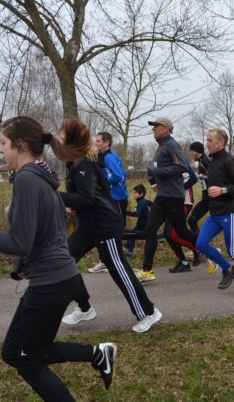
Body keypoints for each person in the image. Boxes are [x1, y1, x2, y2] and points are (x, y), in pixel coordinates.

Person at [0, 116, 117, 400]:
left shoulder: (28, 178)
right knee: (13, 352)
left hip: (52, 283)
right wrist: (22, 264)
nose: (0, 149)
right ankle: (98, 354)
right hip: (53, 279)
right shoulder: (40, 176)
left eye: (3, 143)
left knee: (29, 362)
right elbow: (44, 230)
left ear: (21, 145)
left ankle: (98, 354)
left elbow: (20, 241)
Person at [54, 118, 161, 333]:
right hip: (89, 225)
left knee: (119, 270)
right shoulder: (76, 163)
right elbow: (88, 195)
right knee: (63, 260)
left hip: (104, 226)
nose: (58, 142)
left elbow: (86, 198)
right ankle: (84, 307)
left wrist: (56, 196)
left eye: (62, 138)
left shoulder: (83, 164)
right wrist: (71, 203)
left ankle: (148, 313)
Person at [134, 117, 199, 282]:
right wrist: (156, 180)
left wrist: (156, 172)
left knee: (181, 231)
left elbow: (182, 166)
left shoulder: (171, 144)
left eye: (156, 126)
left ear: (166, 129)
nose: (153, 129)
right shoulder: (162, 146)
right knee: (150, 230)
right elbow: (166, 169)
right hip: (163, 195)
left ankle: (208, 248)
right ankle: (147, 270)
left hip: (173, 197)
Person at [196, 128, 234, 297]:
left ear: (221, 142)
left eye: (210, 140)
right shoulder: (213, 160)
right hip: (215, 212)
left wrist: (222, 190)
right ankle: (228, 269)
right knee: (200, 243)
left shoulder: (229, 160)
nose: (206, 144)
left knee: (233, 251)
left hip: (230, 212)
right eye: (207, 140)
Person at [88, 132, 129, 273]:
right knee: (106, 228)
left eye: (99, 141)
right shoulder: (102, 156)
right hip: (110, 197)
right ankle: (105, 260)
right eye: (96, 140)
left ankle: (119, 258)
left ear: (107, 143)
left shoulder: (109, 157)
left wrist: (102, 182)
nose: (96, 143)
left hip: (117, 197)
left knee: (116, 229)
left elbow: (119, 176)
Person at [187, 141, 219, 274]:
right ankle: (201, 246)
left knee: (192, 220)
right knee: (192, 220)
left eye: (191, 151)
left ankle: (202, 247)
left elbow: (214, 176)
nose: (190, 154)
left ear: (197, 151)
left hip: (211, 199)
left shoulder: (205, 161)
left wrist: (202, 176)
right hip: (206, 198)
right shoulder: (201, 162)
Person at [123, 184, 150, 258]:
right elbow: (151, 203)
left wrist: (124, 212)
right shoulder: (142, 201)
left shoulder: (141, 202)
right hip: (141, 225)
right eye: (133, 192)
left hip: (144, 226)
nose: (133, 194)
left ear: (141, 194)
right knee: (131, 235)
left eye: (135, 193)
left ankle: (129, 252)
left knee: (131, 235)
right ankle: (129, 252)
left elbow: (136, 214)